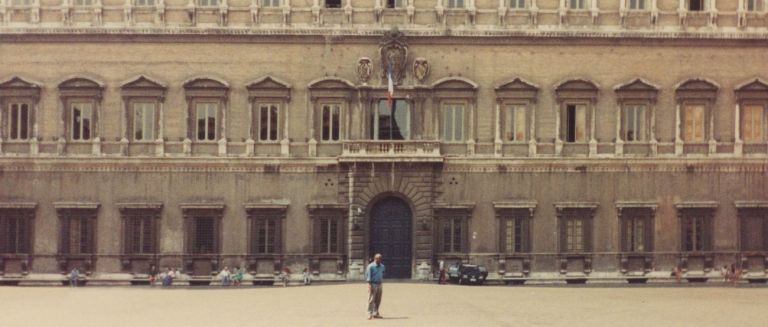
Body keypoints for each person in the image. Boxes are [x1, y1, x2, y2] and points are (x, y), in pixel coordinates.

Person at [366, 253, 385, 320]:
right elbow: (368, 277)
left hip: (380, 284)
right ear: (374, 258)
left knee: (378, 300)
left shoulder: (382, 266)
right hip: (373, 284)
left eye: (380, 258)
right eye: (377, 258)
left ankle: (376, 313)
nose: (378, 260)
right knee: (371, 300)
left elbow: (382, 273)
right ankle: (369, 313)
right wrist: (369, 285)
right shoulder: (370, 266)